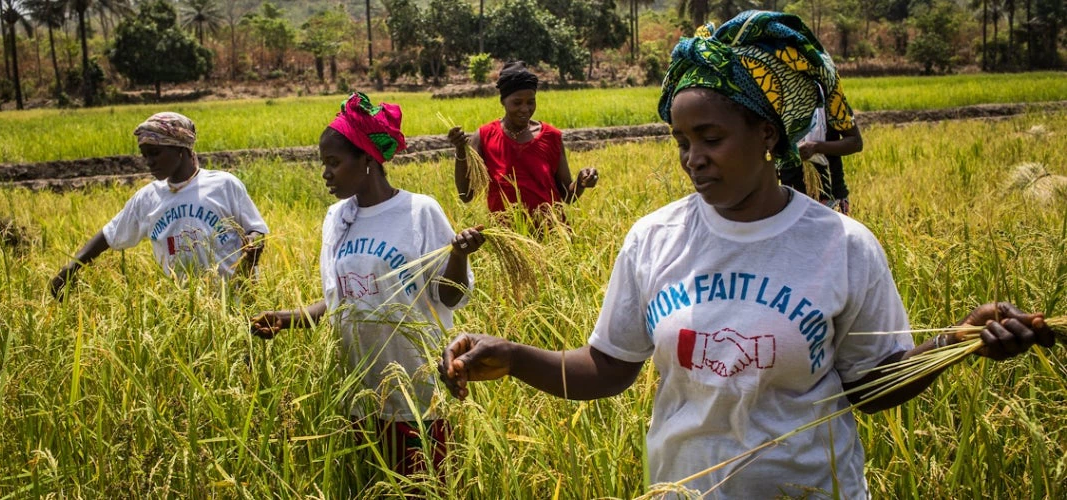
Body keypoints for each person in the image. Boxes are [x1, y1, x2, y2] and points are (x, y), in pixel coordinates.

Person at [438, 11, 1057, 499]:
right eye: (681, 141)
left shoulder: (841, 245)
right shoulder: (654, 239)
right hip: (682, 493)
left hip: (811, 492)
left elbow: (869, 386)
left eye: (711, 137)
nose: (692, 158)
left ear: (768, 133)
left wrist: (955, 344)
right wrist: (514, 356)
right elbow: (608, 368)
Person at [250, 92, 485, 478]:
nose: (326, 173)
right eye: (323, 163)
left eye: (334, 162)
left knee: (422, 484)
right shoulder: (336, 218)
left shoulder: (418, 211)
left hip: (414, 390)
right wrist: (287, 318)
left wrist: (459, 256)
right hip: (358, 393)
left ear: (367, 160)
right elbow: (344, 299)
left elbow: (450, 296)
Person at [50, 112, 268, 299]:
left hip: (234, 301)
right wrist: (70, 268)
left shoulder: (223, 185)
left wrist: (254, 241)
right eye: (145, 155)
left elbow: (256, 229)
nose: (149, 162)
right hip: (183, 309)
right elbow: (109, 234)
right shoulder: (147, 198)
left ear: (180, 149)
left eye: (155, 153)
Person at [446, 61, 599, 224]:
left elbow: (568, 196)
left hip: (551, 235)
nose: (525, 109)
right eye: (517, 103)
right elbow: (466, 195)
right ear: (503, 101)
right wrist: (461, 151)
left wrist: (581, 182)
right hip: (508, 240)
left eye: (530, 102)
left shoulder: (551, 136)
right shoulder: (484, 136)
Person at [782, 86, 864, 214]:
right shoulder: (776, 99)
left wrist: (816, 147)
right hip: (788, 198)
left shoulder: (832, 99)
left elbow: (856, 142)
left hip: (830, 195)